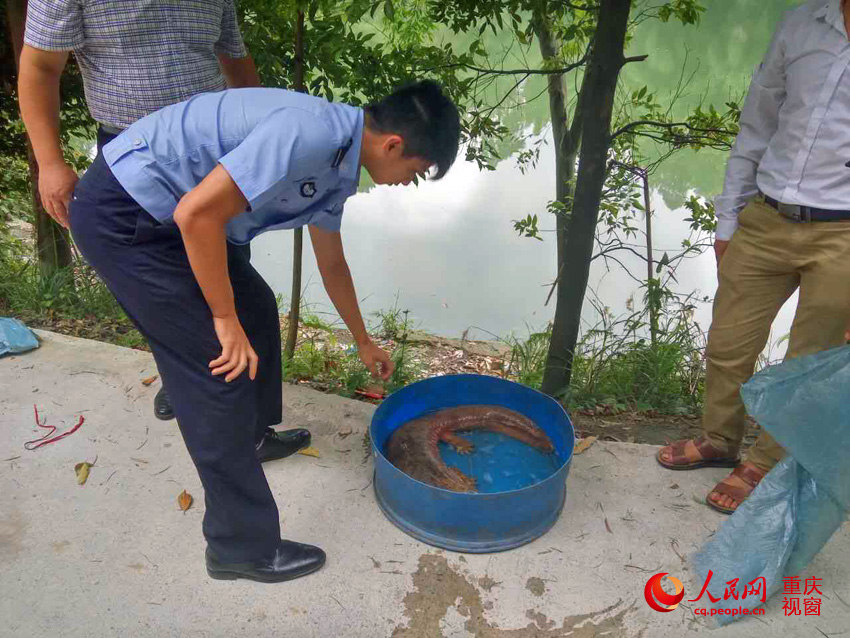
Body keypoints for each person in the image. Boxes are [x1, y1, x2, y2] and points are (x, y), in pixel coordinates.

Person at [67, 81, 461, 581]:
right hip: (129, 218)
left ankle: (251, 440)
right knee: (217, 369)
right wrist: (221, 320)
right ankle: (239, 547)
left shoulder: (339, 155)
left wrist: (363, 340)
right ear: (393, 146)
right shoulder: (310, 135)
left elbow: (332, 261)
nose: (410, 182)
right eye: (418, 172)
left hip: (170, 219)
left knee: (254, 306)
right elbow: (197, 214)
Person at [18, 1, 307, 459]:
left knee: (236, 293)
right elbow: (38, 66)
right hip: (129, 161)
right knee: (169, 297)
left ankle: (241, 422)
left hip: (214, 157)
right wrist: (50, 161)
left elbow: (235, 60)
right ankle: (219, 415)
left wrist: (269, 140)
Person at [657, 0, 850, 514]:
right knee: (727, 342)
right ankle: (720, 439)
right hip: (767, 215)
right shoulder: (803, 21)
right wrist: (729, 217)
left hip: (845, 234)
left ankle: (764, 461)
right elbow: (758, 125)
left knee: (809, 363)